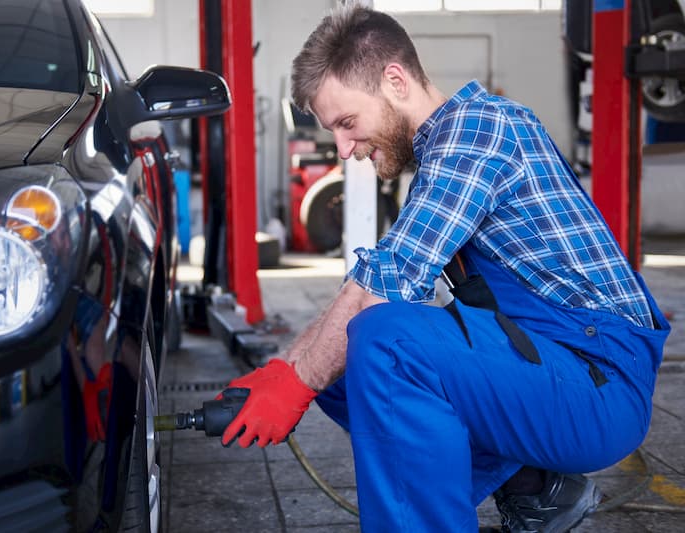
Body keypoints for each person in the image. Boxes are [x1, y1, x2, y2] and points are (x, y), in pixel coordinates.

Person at [219, 4, 670, 532]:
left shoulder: (476, 133)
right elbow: (370, 282)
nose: (342, 148)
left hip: (600, 382)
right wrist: (285, 372)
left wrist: (295, 384)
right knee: (340, 366)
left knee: (385, 342)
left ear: (395, 80)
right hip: (552, 359)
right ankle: (537, 489)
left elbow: (382, 291)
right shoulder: (444, 151)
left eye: (346, 123)